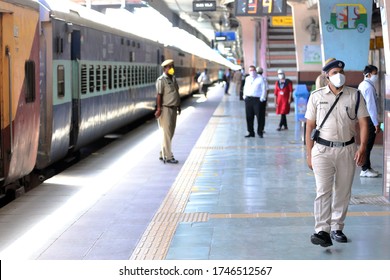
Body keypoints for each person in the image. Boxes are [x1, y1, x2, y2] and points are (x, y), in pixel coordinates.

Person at [305, 58, 369, 247]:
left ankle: (337, 228)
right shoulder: (316, 96)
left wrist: (363, 147)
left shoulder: (355, 95)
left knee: (342, 191)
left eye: (341, 72)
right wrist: (309, 153)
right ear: (326, 76)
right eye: (334, 73)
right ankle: (321, 230)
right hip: (322, 150)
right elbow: (309, 126)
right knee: (322, 191)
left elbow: (364, 123)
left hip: (347, 150)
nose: (339, 76)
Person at [155, 59, 181, 164]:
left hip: (174, 108)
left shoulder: (173, 79)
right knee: (167, 133)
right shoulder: (161, 80)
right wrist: (159, 109)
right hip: (165, 109)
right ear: (165, 68)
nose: (172, 68)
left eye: (172, 66)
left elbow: (176, 93)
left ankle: (162, 152)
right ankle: (169, 156)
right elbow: (159, 95)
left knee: (170, 133)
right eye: (169, 67)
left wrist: (179, 106)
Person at [358, 64, 381, 177]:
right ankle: (364, 169)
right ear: (369, 74)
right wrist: (376, 123)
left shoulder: (364, 85)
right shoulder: (368, 87)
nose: (376, 76)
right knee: (367, 145)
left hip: (366, 118)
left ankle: (368, 167)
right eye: (375, 74)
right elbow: (371, 107)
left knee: (368, 145)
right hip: (369, 120)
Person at [243, 65, 267, 138]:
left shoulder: (261, 78)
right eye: (250, 70)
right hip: (248, 99)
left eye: (253, 70)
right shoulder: (247, 78)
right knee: (249, 116)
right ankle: (251, 132)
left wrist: (262, 98)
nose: (252, 72)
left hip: (257, 100)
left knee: (260, 116)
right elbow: (245, 87)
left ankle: (260, 132)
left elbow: (264, 89)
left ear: (255, 71)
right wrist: (244, 96)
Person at [256, 67, 269, 134]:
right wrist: (266, 98)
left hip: (256, 99)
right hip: (262, 99)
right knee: (262, 115)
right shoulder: (264, 79)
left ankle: (259, 129)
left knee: (258, 115)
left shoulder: (255, 78)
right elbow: (267, 90)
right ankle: (261, 129)